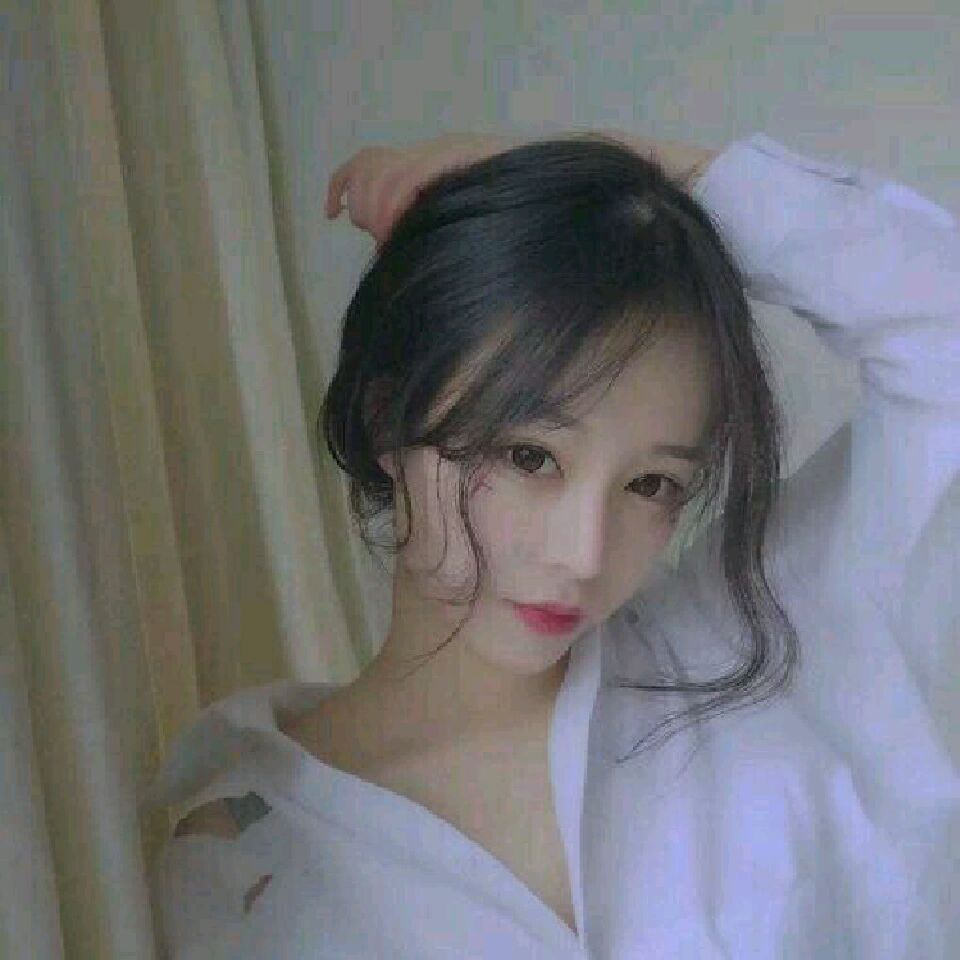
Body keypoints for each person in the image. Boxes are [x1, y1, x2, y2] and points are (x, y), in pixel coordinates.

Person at [143, 128, 959, 958]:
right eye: (529, 457)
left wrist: (629, 185)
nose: (583, 554)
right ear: (389, 419)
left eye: (651, 484)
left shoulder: (750, 647)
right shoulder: (246, 862)